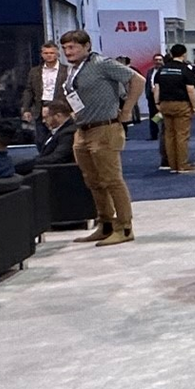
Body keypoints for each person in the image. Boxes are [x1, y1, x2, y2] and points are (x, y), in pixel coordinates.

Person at [60, 28, 144, 247]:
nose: (68, 51)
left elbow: (138, 80)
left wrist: (127, 110)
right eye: (65, 48)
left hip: (104, 128)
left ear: (86, 46)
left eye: (72, 47)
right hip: (82, 130)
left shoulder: (101, 63)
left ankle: (125, 227)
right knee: (93, 181)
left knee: (112, 180)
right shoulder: (74, 69)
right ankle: (105, 224)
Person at [150, 44, 195, 172]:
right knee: (182, 135)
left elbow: (157, 89)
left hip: (165, 104)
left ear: (171, 54)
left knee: (169, 135)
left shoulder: (162, 70)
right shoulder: (185, 70)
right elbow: (190, 90)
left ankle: (172, 165)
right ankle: (182, 165)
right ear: (184, 54)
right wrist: (194, 106)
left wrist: (157, 104)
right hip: (181, 104)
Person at [21, 40, 72, 143]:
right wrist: (26, 109)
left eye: (52, 53)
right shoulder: (34, 71)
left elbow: (72, 90)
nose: (49, 55)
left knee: (61, 137)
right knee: (40, 139)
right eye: (46, 53)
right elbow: (29, 91)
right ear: (42, 54)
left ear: (57, 54)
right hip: (40, 107)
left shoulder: (67, 70)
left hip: (60, 108)